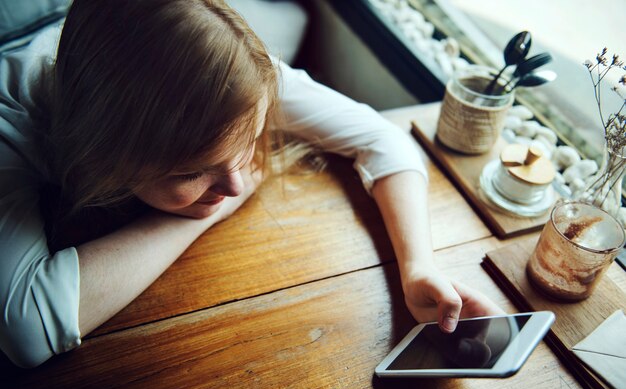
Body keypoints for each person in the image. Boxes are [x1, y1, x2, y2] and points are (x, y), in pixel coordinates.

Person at [0, 0, 502, 369]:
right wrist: (204, 218)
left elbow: (383, 139)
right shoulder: (10, 126)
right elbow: (25, 328)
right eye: (191, 171)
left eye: (247, 143)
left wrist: (419, 268)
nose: (237, 185)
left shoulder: (231, 73)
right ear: (103, 155)